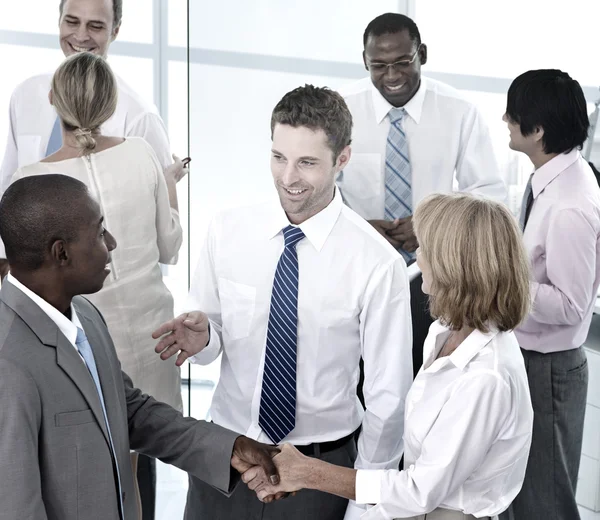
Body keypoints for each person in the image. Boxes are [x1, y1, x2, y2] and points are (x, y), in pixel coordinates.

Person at [153, 85, 413, 520]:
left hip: (318, 470)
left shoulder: (377, 263)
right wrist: (207, 339)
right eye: (279, 157)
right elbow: (215, 333)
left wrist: (365, 503)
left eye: (307, 163)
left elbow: (389, 398)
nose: (288, 177)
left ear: (342, 159)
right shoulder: (227, 231)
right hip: (226, 457)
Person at [0, 174, 283, 520]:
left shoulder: (86, 315)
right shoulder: (8, 363)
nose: (112, 242)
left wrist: (230, 448)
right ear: (61, 253)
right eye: (100, 232)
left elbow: (130, 412)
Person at [242, 193, 534, 520]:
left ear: (455, 266)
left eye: (427, 249)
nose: (418, 257)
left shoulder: (486, 378)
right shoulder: (445, 333)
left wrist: (309, 472)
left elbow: (419, 491)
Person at [9, 51, 184, 518]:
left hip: (81, 350)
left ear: (52, 99)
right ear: (111, 104)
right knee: (136, 462)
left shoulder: (31, 180)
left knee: (90, 471)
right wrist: (169, 187)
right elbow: (170, 248)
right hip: (154, 342)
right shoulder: (141, 153)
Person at [338, 13, 506, 375]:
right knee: (355, 376)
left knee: (422, 374)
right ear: (364, 62)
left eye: (402, 61)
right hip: (357, 269)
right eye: (379, 65)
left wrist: (433, 228)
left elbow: (489, 194)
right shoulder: (342, 110)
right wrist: (355, 225)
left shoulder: (460, 111)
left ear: (422, 54)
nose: (392, 75)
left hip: (434, 278)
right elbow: (319, 186)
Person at [0, 0, 184, 293]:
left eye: (95, 25)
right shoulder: (25, 95)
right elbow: (6, 187)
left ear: (115, 30)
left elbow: (158, 241)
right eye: (72, 22)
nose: (81, 35)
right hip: (32, 291)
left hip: (109, 297)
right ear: (59, 21)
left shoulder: (140, 116)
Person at [499, 70, 600, 520]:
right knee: (519, 496)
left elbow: (572, 306)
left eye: (513, 114)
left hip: (549, 372)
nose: (504, 118)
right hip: (529, 361)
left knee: (545, 504)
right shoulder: (551, 178)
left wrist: (503, 278)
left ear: (537, 130)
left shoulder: (569, 205)